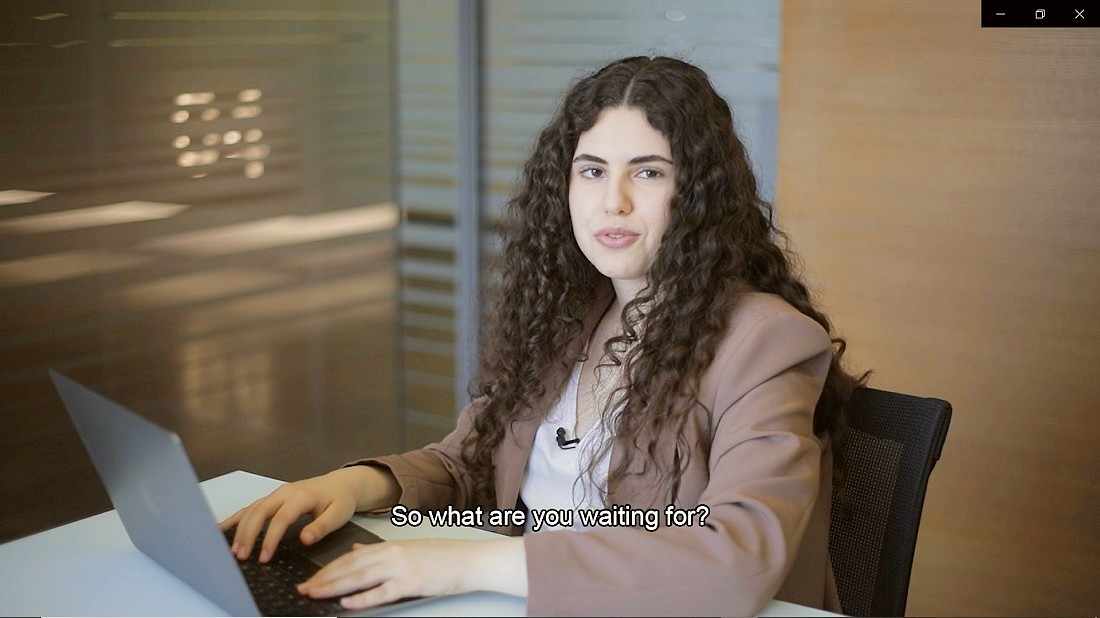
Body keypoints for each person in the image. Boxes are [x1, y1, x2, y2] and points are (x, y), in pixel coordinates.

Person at [220, 55, 866, 616]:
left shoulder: (767, 341)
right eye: (591, 170)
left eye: (647, 172)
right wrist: (350, 486)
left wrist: (468, 567)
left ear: (698, 195)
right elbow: (465, 463)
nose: (611, 202)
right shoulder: (568, 317)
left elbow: (736, 559)